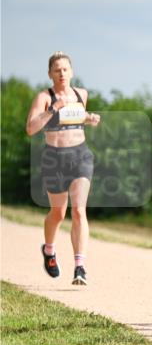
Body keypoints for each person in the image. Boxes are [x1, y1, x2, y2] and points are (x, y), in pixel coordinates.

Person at [25, 52, 101, 285]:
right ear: (50, 73)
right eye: (57, 70)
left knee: (78, 210)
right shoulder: (44, 97)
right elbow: (31, 128)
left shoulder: (81, 94)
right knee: (58, 213)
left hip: (80, 156)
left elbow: (76, 118)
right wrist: (53, 108)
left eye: (65, 69)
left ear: (72, 72)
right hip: (54, 158)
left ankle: (80, 267)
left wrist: (89, 118)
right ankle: (49, 250)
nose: (62, 73)